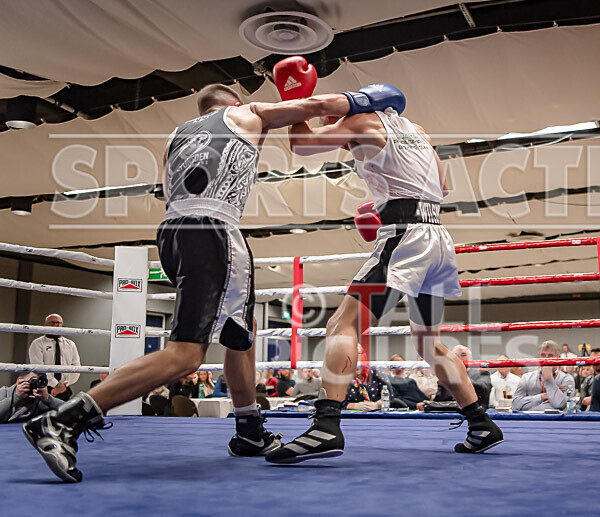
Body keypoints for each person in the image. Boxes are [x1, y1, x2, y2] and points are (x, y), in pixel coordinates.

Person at [23, 58, 376, 482]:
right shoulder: (246, 112)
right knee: (187, 354)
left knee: (238, 337)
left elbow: (169, 193)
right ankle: (64, 420)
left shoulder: (177, 137)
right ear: (234, 102)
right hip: (214, 229)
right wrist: (363, 100)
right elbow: (310, 107)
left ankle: (248, 429)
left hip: (173, 231)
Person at [264, 83, 503, 464]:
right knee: (429, 342)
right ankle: (481, 423)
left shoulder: (359, 120)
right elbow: (441, 186)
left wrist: (297, 94)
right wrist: (381, 195)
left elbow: (302, 145)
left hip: (405, 237)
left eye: (329, 118)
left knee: (341, 326)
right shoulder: (417, 130)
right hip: (438, 239)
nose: (326, 122)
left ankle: (326, 425)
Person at [28, 314, 81, 401]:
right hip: (43, 387)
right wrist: (55, 384)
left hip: (64, 389)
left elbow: (76, 368)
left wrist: (63, 385)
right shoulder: (37, 343)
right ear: (45, 325)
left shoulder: (70, 344)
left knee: (64, 413)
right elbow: (38, 367)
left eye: (58, 323)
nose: (55, 325)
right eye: (52, 323)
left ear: (62, 325)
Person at [512, 340, 575, 411]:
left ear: (558, 358)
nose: (546, 359)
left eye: (550, 356)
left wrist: (549, 379)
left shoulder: (567, 379)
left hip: (556, 421)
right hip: (530, 420)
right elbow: (516, 405)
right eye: (543, 355)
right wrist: (543, 396)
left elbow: (562, 405)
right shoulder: (526, 378)